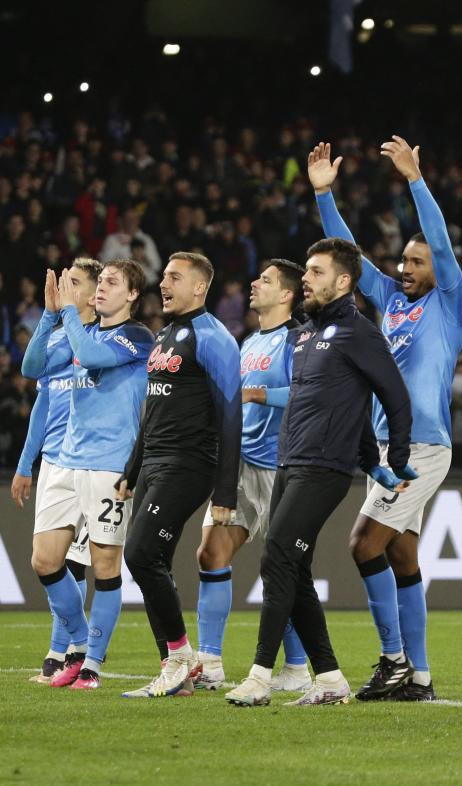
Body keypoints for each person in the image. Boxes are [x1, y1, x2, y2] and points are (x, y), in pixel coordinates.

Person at [309, 137, 462, 702]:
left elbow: (443, 246)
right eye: (403, 260)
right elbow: (350, 260)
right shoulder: (393, 300)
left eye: (417, 262)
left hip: (422, 447)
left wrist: (415, 180)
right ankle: (419, 678)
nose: (405, 268)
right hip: (385, 447)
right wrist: (325, 196)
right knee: (400, 554)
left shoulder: (449, 303)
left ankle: (393, 660)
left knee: (363, 545)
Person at [224, 237, 415, 708]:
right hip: (291, 460)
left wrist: (394, 457)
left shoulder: (360, 332)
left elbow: (393, 394)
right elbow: (348, 401)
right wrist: (372, 458)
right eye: (305, 271)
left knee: (276, 558)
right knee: (294, 567)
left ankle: (260, 676)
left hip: (324, 466)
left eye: (315, 271)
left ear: (344, 281)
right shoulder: (305, 332)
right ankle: (330, 680)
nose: (306, 278)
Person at [21, 259, 154, 690]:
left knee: (104, 565)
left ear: (131, 294)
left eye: (112, 283)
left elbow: (93, 356)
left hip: (109, 463)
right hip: (67, 461)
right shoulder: (82, 332)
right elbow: (32, 367)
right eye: (101, 282)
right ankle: (78, 645)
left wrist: (68, 318)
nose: (101, 289)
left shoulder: (136, 336)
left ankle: (92, 665)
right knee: (44, 560)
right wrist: (48, 315)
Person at [118, 252, 242, 699]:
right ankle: (176, 670)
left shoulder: (214, 337)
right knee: (154, 561)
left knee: (140, 553)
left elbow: (232, 419)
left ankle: (182, 657)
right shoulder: (166, 334)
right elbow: (151, 408)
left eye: (175, 277)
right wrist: (132, 469)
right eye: (164, 276)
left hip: (189, 463)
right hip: (154, 464)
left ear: (199, 288)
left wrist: (225, 493)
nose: (163, 283)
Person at [191, 259, 308, 691]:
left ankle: (296, 669)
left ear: (286, 295)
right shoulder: (249, 341)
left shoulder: (296, 340)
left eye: (266, 280)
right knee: (210, 553)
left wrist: (258, 392)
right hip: (240, 463)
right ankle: (210, 663)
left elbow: (308, 393)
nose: (254, 284)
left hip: (279, 468)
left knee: (284, 569)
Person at [13, 258, 100, 684]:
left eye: (75, 282)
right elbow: (33, 379)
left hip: (88, 460)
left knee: (73, 561)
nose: (66, 287)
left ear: (92, 294)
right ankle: (64, 648)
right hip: (53, 459)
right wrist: (26, 461)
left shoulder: (100, 339)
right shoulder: (62, 333)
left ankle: (64, 652)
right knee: (50, 561)